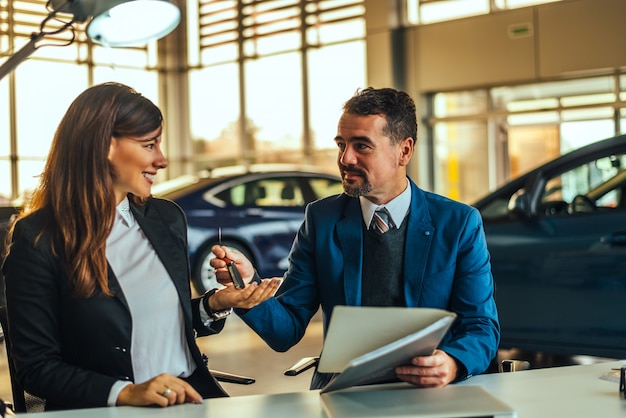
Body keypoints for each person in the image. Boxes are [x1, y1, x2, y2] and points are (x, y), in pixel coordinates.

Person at [1, 82, 281, 411]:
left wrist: (214, 304)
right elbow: (36, 368)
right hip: (106, 410)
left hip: (192, 397)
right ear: (103, 146)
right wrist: (126, 392)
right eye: (150, 145)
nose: (162, 160)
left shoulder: (166, 218)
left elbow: (151, 325)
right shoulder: (38, 239)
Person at [211, 87, 499, 390]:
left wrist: (452, 363)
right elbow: (286, 330)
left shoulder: (458, 223)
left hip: (431, 391)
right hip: (344, 391)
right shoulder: (321, 220)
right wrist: (248, 286)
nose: (345, 158)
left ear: (404, 151)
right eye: (341, 144)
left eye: (362, 146)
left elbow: (480, 327)